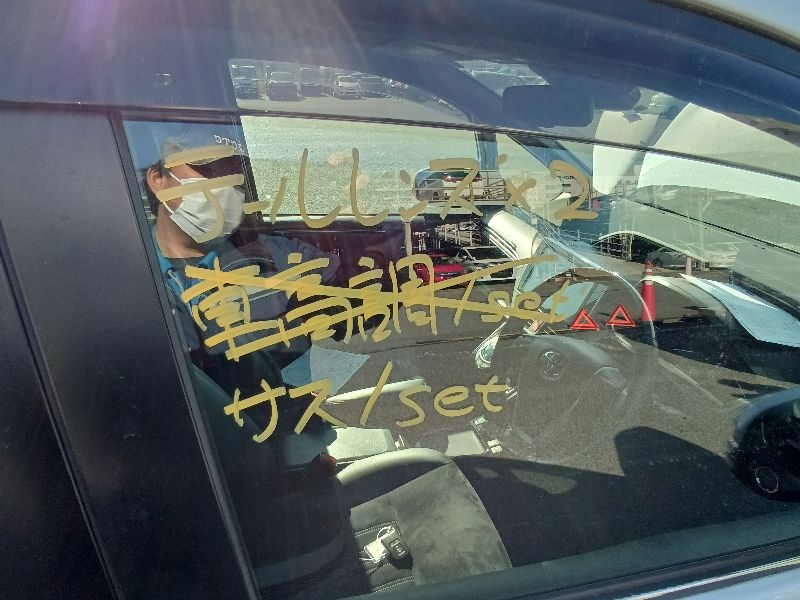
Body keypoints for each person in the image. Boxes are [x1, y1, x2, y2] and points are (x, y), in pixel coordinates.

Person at [143, 126, 341, 401]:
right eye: (209, 170)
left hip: (278, 418)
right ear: (158, 179)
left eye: (233, 174)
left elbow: (359, 287)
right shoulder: (126, 272)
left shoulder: (275, 257)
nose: (226, 187)